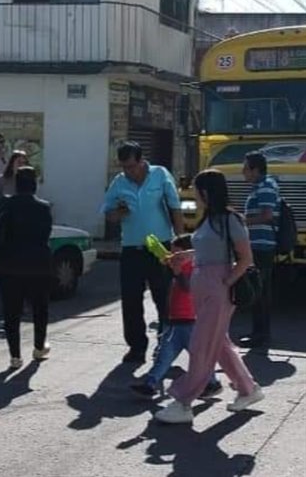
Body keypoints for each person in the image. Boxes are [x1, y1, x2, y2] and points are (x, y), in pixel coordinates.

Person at [155, 169, 264, 424]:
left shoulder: (231, 219)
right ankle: (248, 389)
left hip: (217, 288)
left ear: (205, 191)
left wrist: (226, 281)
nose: (193, 193)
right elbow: (207, 248)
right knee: (219, 344)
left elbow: (245, 258)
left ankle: (183, 400)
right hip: (203, 285)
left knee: (201, 345)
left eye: (195, 188)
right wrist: (186, 255)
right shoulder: (209, 219)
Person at [102, 141, 184, 364]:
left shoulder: (160, 175)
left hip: (161, 247)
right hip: (131, 248)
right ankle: (137, 347)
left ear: (141, 161)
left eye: (131, 166)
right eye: (124, 166)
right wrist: (118, 212)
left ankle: (166, 343)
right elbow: (108, 213)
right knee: (131, 300)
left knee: (164, 297)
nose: (128, 171)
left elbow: (175, 207)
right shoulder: (119, 183)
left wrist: (180, 241)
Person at [130, 234, 222, 398]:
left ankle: (212, 382)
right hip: (177, 319)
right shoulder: (183, 266)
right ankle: (150, 383)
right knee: (165, 356)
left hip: (187, 319)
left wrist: (177, 271)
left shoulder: (190, 267)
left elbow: (188, 288)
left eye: (177, 253)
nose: (173, 256)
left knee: (196, 355)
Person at [0, 166, 53, 369]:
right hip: (38, 265)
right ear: (34, 184)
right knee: (40, 308)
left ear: (16, 184)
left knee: (11, 311)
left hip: (8, 265)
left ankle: (15, 357)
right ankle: (39, 347)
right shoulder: (44, 208)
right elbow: (46, 235)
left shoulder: (6, 204)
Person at [0, 150, 29, 324]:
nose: (21, 166)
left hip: (21, 235)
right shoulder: (1, 181)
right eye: (18, 162)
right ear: (11, 163)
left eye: (24, 163)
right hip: (2, 233)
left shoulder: (26, 184)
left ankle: (17, 308)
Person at [239, 151, 279, 348]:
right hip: (256, 244)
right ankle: (258, 332)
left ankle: (261, 334)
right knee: (258, 289)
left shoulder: (266, 187)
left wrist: (242, 220)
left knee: (260, 290)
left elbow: (267, 215)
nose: (243, 172)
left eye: (246, 168)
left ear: (255, 170)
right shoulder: (259, 187)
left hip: (262, 246)